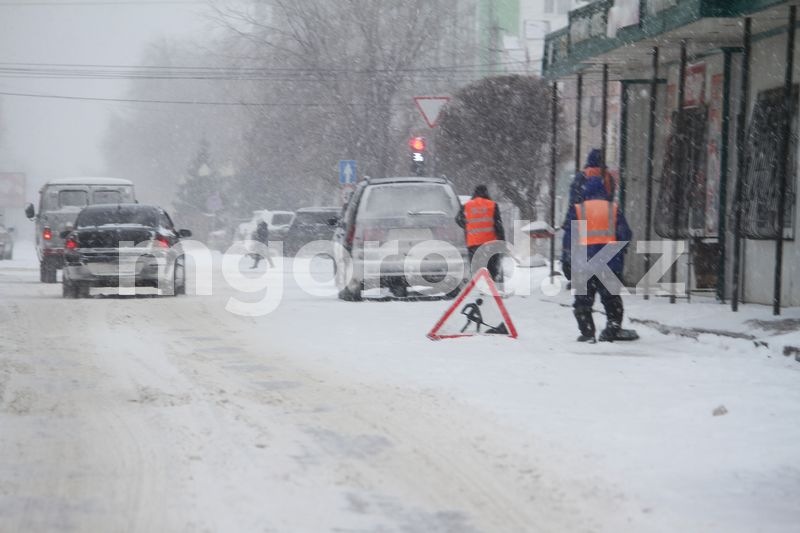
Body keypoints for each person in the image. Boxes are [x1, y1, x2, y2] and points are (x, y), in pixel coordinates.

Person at [561, 173, 632, 343]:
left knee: (582, 300)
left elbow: (569, 237)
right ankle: (612, 328)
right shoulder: (613, 209)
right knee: (611, 298)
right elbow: (625, 234)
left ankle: (587, 332)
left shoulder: (578, 209)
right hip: (609, 263)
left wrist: (566, 259)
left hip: (583, 263)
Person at [456, 185, 505, 283]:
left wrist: (467, 226)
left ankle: (480, 290)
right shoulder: (492, 205)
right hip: (490, 245)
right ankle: (493, 289)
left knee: (477, 272)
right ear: (486, 193)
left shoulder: (466, 206)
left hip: (473, 245)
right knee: (492, 271)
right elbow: (498, 226)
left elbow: (458, 219)